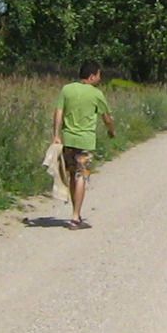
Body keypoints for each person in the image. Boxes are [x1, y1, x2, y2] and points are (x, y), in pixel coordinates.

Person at [52, 61, 115, 229]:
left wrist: (56, 135)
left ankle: (76, 213)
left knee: (73, 175)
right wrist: (111, 131)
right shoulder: (96, 94)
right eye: (99, 75)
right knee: (81, 176)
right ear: (92, 76)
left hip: (68, 139)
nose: (100, 79)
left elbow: (58, 112)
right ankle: (75, 217)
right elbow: (107, 118)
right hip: (85, 141)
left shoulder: (67, 89)